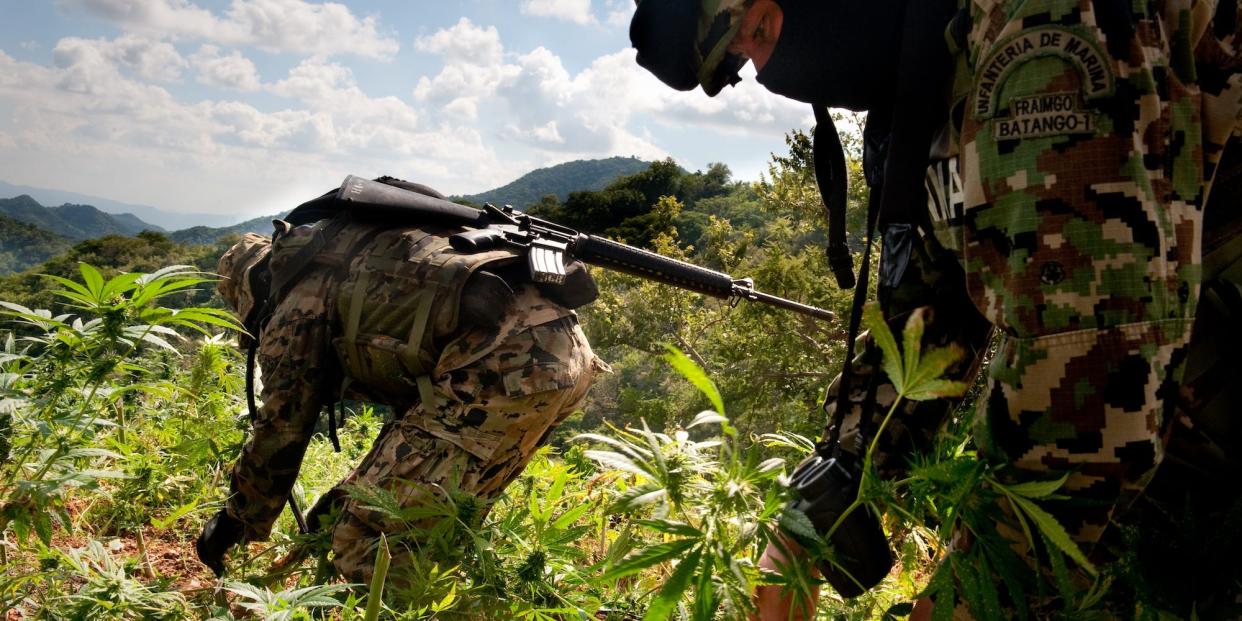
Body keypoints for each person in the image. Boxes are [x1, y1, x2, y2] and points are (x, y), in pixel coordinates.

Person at [630, 0, 1242, 618]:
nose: (766, 69)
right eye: (742, 57)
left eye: (758, 30)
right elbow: (923, 329)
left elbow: (1094, 363)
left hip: (1181, 441)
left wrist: (963, 594)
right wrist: (807, 523)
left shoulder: (1044, 20)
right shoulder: (917, 83)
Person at [195, 178, 605, 584]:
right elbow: (417, 411)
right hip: (563, 357)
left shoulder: (298, 301)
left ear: (251, 284)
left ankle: (404, 607)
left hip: (504, 370)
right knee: (437, 514)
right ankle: (449, 597)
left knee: (370, 536)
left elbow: (281, 428)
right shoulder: (348, 251)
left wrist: (235, 520)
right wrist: (348, 494)